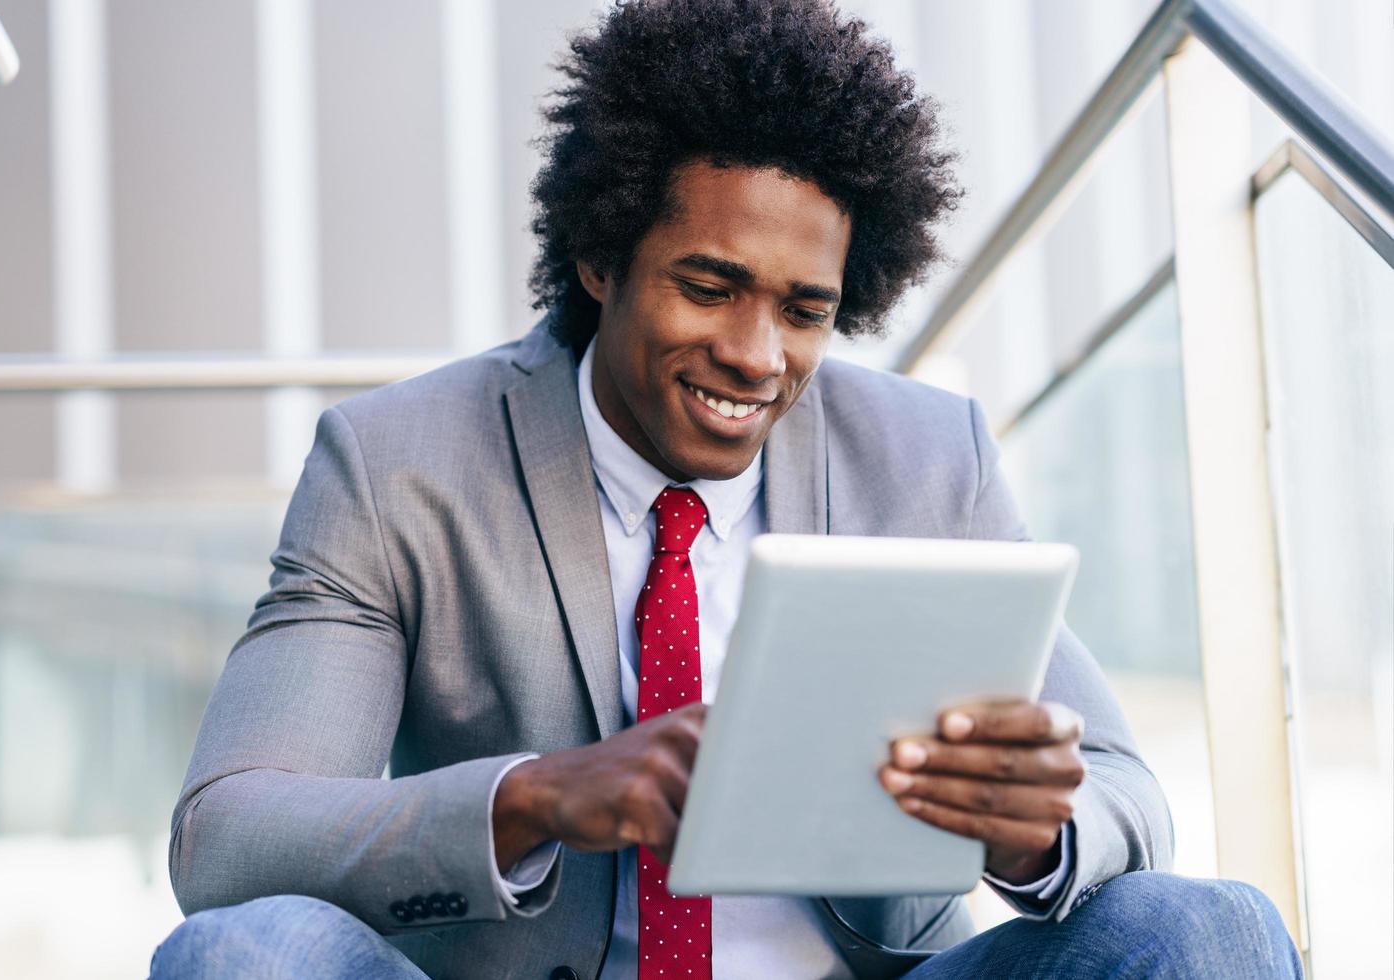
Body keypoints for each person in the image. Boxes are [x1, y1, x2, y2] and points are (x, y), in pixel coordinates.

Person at [151, 1, 1302, 977]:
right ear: (602, 258)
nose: (760, 354)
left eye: (805, 310)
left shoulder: (924, 454)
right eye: (711, 285)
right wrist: (535, 796)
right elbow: (230, 835)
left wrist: (1034, 830)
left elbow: (1126, 795)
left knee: (1212, 925)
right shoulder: (399, 463)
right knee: (247, 953)